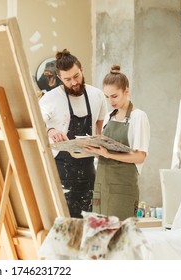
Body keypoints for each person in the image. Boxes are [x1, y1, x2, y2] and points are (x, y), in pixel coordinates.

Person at [39, 49, 107, 218]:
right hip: (61, 169)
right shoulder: (50, 100)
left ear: (81, 69)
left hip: (88, 168)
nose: (74, 82)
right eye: (68, 79)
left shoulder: (97, 95)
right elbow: (35, 124)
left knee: (88, 220)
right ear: (60, 78)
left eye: (76, 76)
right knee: (64, 221)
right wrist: (51, 130)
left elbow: (101, 129)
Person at [85, 64, 150, 221]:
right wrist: (94, 151)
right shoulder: (109, 117)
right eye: (107, 97)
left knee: (120, 238)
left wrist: (108, 154)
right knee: (99, 236)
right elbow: (105, 153)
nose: (110, 101)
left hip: (123, 190)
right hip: (101, 186)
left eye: (114, 96)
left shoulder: (138, 117)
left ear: (126, 91)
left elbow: (140, 157)